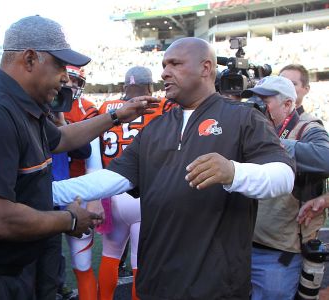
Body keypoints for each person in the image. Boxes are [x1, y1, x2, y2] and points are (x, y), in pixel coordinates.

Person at [0, 15, 157, 300]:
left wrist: (117, 116)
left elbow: (63, 139)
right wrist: (69, 220)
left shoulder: (21, 106)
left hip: (8, 269)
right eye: (59, 65)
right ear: (30, 59)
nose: (65, 76)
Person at [53, 37, 296, 299]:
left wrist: (234, 173)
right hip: (156, 283)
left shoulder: (243, 117)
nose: (164, 72)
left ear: (205, 68)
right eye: (164, 65)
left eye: (175, 64)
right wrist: (45, 192)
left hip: (216, 287)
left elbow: (284, 176)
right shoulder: (156, 127)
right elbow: (109, 179)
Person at [240, 76, 329, 300]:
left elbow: (326, 158)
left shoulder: (307, 128)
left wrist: (276, 145)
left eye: (264, 102)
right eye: (253, 102)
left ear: (288, 105)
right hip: (241, 243)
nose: (256, 108)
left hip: (278, 252)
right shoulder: (251, 129)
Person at [96, 66, 175, 300]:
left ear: (124, 86)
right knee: (140, 262)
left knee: (110, 255)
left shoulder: (105, 108)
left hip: (111, 191)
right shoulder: (163, 106)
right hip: (143, 193)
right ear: (150, 86)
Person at [62, 66, 102, 300]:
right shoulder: (36, 101)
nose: (70, 86)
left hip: (76, 191)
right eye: (67, 80)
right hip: (41, 188)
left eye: (76, 81)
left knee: (82, 263)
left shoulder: (87, 110)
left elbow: (92, 161)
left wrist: (94, 199)